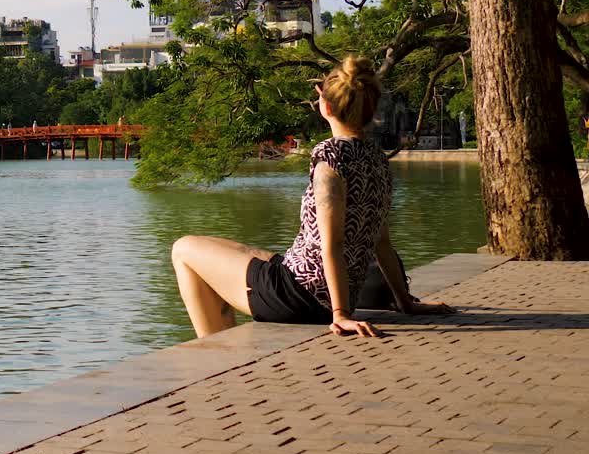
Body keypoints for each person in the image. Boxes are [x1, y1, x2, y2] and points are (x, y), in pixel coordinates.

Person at [170, 56, 455, 339]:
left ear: (327, 107)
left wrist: (340, 315)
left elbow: (333, 244)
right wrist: (405, 302)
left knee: (183, 249)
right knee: (238, 252)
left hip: (301, 298)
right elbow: (382, 244)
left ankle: (214, 354)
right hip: (318, 285)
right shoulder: (376, 160)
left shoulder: (330, 160)